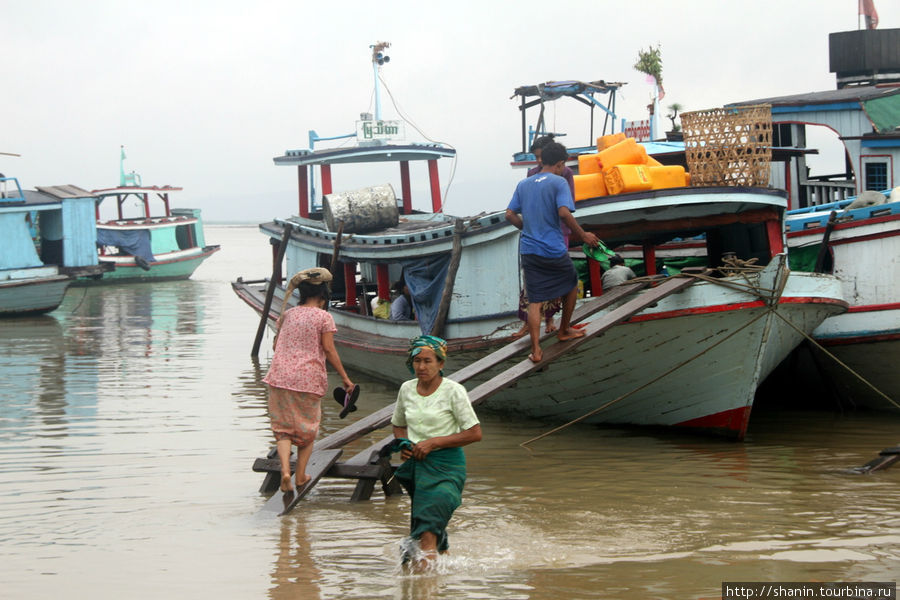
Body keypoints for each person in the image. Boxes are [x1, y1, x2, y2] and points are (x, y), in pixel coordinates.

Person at [390, 335, 482, 571]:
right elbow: (398, 424)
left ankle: (424, 584)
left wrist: (434, 443)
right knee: (428, 525)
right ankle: (443, 576)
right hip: (419, 469)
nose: (421, 367)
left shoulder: (454, 391)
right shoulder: (406, 389)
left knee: (429, 524)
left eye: (428, 361)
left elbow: (474, 433)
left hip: (447, 467)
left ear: (441, 364)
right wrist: (404, 444)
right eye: (417, 361)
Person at [505, 141, 600, 363]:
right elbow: (564, 213)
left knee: (535, 300)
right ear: (560, 164)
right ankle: (564, 329)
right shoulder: (559, 182)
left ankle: (536, 350)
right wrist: (583, 235)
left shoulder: (524, 183)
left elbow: (509, 214)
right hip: (552, 248)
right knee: (571, 283)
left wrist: (526, 229)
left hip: (529, 250)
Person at [263, 267, 354, 493]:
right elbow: (329, 350)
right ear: (323, 297)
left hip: (279, 376)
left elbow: (276, 346)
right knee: (307, 431)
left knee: (282, 430)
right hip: (307, 378)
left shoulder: (289, 315)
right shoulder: (324, 317)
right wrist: (345, 378)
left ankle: (285, 471)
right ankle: (300, 476)